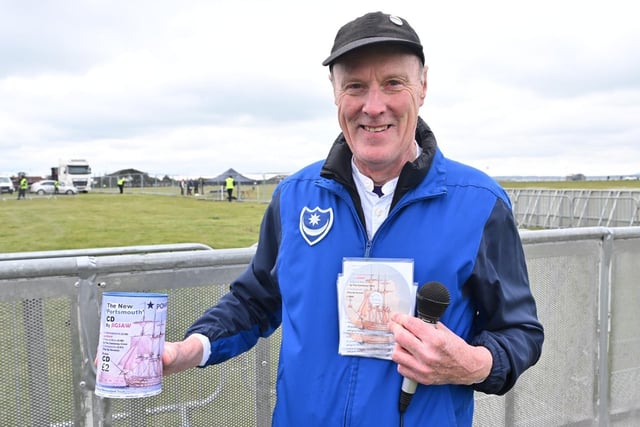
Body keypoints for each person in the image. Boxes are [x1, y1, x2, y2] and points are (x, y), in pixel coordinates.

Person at [162, 11, 543, 426]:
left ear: (423, 86)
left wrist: (474, 364)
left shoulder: (480, 204)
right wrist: (191, 348)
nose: (373, 106)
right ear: (335, 92)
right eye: (355, 86)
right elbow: (255, 300)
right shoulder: (295, 197)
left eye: (393, 83)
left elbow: (520, 332)